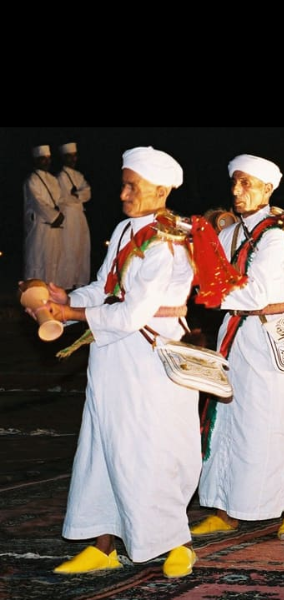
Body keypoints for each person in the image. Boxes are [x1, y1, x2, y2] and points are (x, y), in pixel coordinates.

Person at [45, 146, 200, 578]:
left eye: (133, 185)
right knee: (102, 445)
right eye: (124, 183)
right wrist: (68, 299)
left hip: (152, 356)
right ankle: (103, 544)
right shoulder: (126, 228)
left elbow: (134, 313)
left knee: (152, 448)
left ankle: (179, 545)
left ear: (161, 189)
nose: (124, 192)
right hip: (114, 355)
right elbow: (104, 287)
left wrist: (74, 316)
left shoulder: (168, 239)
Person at [191, 154, 284, 540]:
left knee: (266, 424)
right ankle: (225, 507)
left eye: (247, 184)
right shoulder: (235, 230)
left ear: (267, 189)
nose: (236, 191)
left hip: (267, 334)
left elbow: (257, 290)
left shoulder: (277, 232)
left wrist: (211, 294)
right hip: (237, 329)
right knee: (226, 421)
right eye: (235, 182)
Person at [23, 145, 66, 286]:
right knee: (37, 261)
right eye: (42, 159)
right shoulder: (32, 180)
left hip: (55, 228)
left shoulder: (53, 180)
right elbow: (37, 203)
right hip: (40, 227)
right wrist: (55, 216)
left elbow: (59, 200)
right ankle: (33, 295)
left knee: (53, 261)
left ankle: (52, 294)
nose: (46, 162)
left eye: (48, 159)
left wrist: (59, 215)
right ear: (36, 161)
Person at [56, 142, 92, 289]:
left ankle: (80, 282)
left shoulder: (79, 175)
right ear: (64, 158)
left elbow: (88, 192)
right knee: (68, 249)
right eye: (69, 156)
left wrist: (76, 195)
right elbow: (63, 197)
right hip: (68, 216)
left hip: (80, 216)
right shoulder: (60, 176)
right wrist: (79, 196)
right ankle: (66, 283)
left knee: (82, 249)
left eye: (74, 156)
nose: (72, 159)